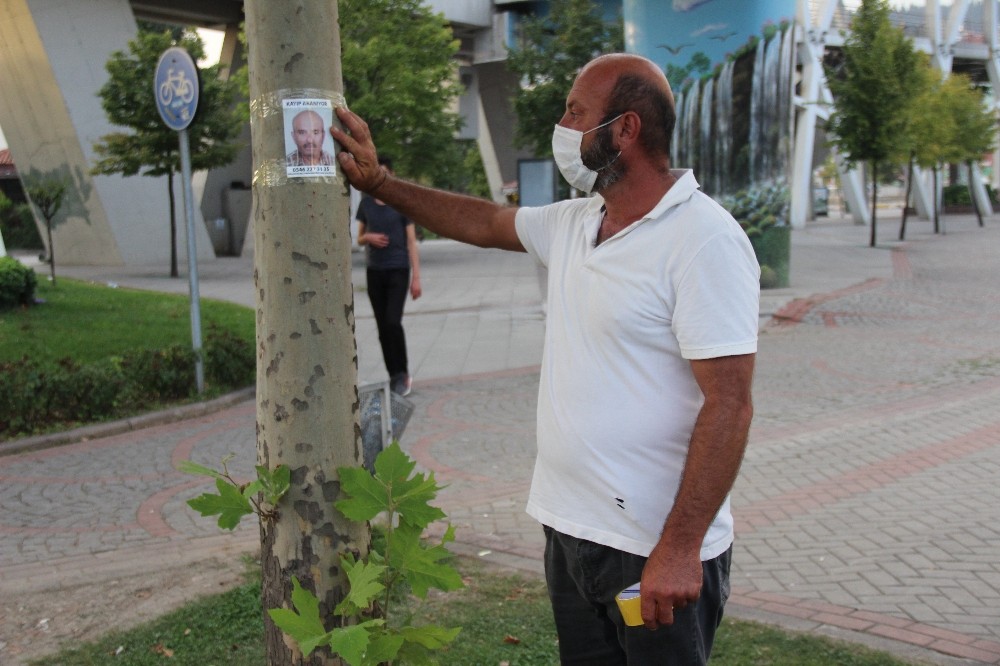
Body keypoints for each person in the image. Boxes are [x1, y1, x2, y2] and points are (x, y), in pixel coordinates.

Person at [331, 53, 758, 665]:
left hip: (652, 552)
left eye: (575, 112)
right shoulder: (578, 221)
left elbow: (731, 404)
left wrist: (681, 547)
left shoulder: (703, 240)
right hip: (573, 534)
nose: (562, 125)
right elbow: (484, 221)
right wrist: (380, 185)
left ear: (626, 130)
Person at [356, 157, 421, 396]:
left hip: (398, 269)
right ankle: (393, 374)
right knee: (382, 327)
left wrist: (417, 277)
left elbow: (412, 242)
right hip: (375, 271)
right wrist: (368, 238)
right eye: (377, 173)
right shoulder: (366, 205)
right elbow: (359, 238)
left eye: (385, 173)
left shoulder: (401, 204)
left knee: (393, 321)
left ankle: (403, 372)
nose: (381, 177)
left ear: (392, 174)